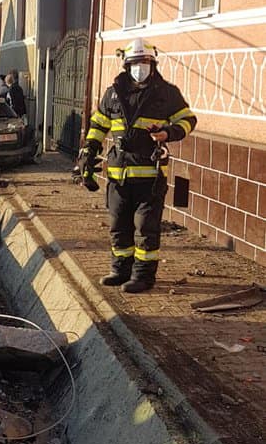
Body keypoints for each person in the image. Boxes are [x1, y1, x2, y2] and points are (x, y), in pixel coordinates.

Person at [77, 38, 196, 294]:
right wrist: (88, 152)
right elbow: (98, 125)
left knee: (145, 228)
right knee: (119, 225)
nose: (139, 68)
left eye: (144, 63)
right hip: (119, 175)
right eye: (135, 63)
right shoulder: (113, 93)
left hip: (150, 177)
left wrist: (168, 132)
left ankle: (143, 276)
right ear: (126, 65)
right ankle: (120, 270)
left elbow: (188, 120)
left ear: (152, 65)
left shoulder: (166, 93)